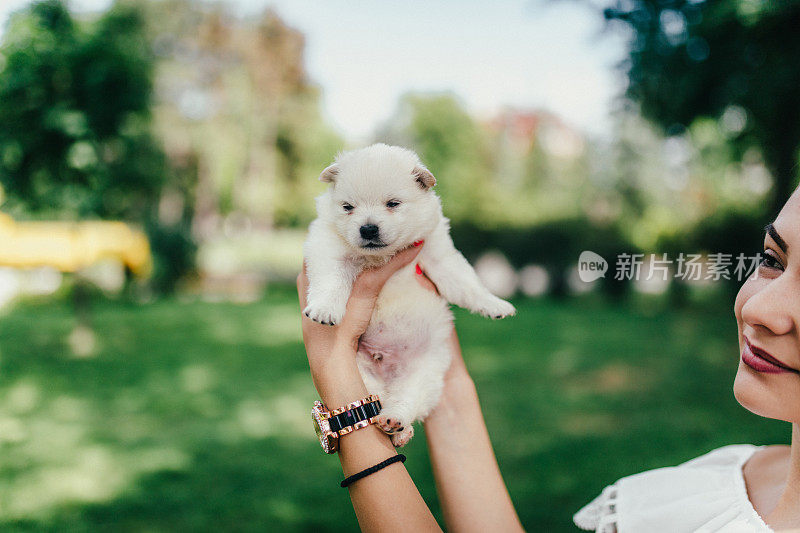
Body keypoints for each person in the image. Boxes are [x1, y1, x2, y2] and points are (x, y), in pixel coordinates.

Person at [296, 189, 800, 532]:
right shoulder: (733, 473)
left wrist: (340, 377)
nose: (759, 308)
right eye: (774, 260)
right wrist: (439, 379)